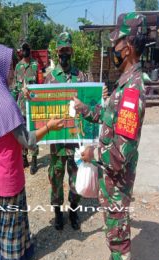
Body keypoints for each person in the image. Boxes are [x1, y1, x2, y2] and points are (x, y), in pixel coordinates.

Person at [74, 12, 147, 260]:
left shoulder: (132, 91)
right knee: (112, 230)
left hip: (117, 179)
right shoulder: (124, 83)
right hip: (110, 179)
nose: (113, 50)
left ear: (127, 46)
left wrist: (92, 153)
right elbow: (107, 117)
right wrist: (85, 109)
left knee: (119, 234)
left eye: (116, 44)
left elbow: (120, 155)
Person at [0, 44, 64, 260]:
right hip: (10, 173)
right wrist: (48, 127)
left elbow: (12, 122)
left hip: (2, 169)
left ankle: (10, 255)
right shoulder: (6, 103)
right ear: (2, 67)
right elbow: (28, 141)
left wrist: (26, 95)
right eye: (10, 67)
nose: (13, 72)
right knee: (12, 221)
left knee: (9, 218)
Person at [44, 32, 87, 231]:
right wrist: (29, 94)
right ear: (57, 52)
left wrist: (102, 94)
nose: (64, 54)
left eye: (67, 50)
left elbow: (91, 103)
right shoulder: (50, 78)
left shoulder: (82, 77)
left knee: (76, 179)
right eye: (61, 50)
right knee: (56, 178)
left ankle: (74, 211)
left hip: (76, 140)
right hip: (57, 142)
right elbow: (39, 106)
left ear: (72, 51)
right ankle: (57, 213)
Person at [12, 41, 39, 175]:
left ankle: (34, 159)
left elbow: (40, 86)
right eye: (23, 49)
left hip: (33, 105)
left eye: (27, 48)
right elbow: (15, 87)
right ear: (21, 51)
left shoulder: (35, 65)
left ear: (30, 49)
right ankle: (24, 157)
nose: (25, 50)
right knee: (22, 132)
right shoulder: (18, 67)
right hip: (21, 106)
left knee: (33, 132)